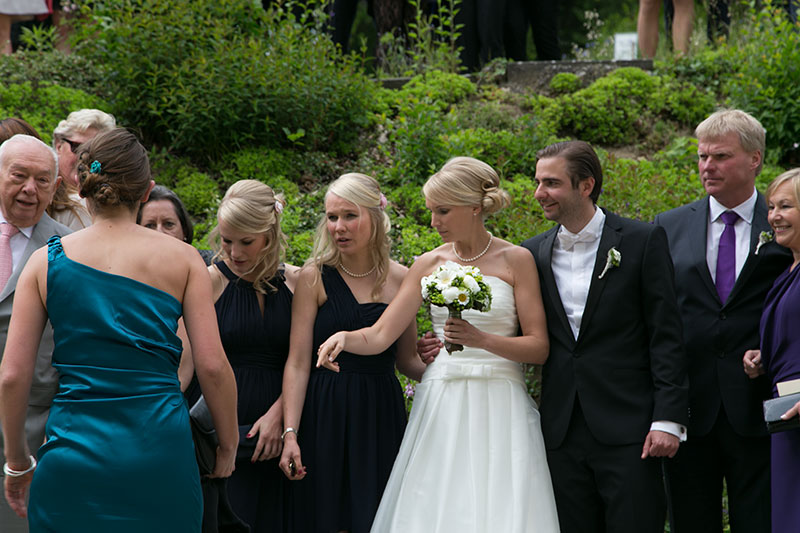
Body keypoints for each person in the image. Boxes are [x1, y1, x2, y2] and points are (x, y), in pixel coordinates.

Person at [0, 129, 238, 531]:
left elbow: (11, 375)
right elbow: (213, 366)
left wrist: (18, 461)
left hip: (72, 454)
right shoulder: (184, 260)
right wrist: (228, 444)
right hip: (159, 452)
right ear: (146, 191)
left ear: (80, 186)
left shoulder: (45, 262)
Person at [315, 158, 560, 532]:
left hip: (501, 399)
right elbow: (380, 335)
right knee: (435, 503)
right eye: (431, 211)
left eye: (443, 211)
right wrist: (345, 338)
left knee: (501, 505)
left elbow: (539, 347)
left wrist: (482, 339)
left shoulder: (517, 259)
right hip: (443, 398)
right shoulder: (428, 263)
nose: (434, 222)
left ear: (474, 207)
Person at [522, 141, 688, 533]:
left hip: (631, 427)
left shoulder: (643, 240)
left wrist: (668, 418)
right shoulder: (532, 253)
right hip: (561, 429)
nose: (539, 193)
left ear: (586, 185)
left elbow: (666, 334)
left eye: (551, 183)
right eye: (538, 182)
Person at [654, 109, 790, 533]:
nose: (707, 166)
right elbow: (660, 318)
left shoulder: (783, 221)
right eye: (702, 157)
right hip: (691, 407)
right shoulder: (669, 225)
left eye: (721, 156)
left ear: (755, 159)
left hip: (762, 407)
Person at [280, 173, 425, 532]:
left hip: (379, 413)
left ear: (375, 216)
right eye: (332, 217)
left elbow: (407, 361)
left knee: (377, 515)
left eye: (349, 216)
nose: (338, 227)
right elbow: (298, 363)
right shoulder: (314, 276)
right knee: (324, 515)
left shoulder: (402, 278)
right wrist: (290, 433)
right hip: (325, 411)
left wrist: (455, 368)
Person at [204, 179, 299, 532]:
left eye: (246, 242)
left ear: (269, 236)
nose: (234, 252)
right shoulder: (208, 282)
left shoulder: (298, 282)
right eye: (226, 240)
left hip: (282, 428)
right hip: (222, 428)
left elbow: (305, 360)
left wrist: (281, 416)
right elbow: (187, 364)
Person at [0, 135, 71, 533]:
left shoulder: (70, 249)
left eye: (42, 180)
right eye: (19, 176)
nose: (30, 189)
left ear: (56, 186)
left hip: (34, 428)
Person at [743, 168, 800, 533]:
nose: (775, 216)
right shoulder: (789, 269)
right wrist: (765, 355)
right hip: (788, 417)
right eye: (771, 207)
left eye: (786, 206)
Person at [48, 109, 116, 231]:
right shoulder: (37, 192)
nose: (84, 157)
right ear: (59, 146)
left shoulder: (111, 202)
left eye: (94, 151)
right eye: (78, 147)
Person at [138, 184, 214, 265]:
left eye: (168, 224)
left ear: (184, 230)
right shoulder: (129, 270)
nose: (159, 233)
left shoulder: (212, 265)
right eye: (149, 226)